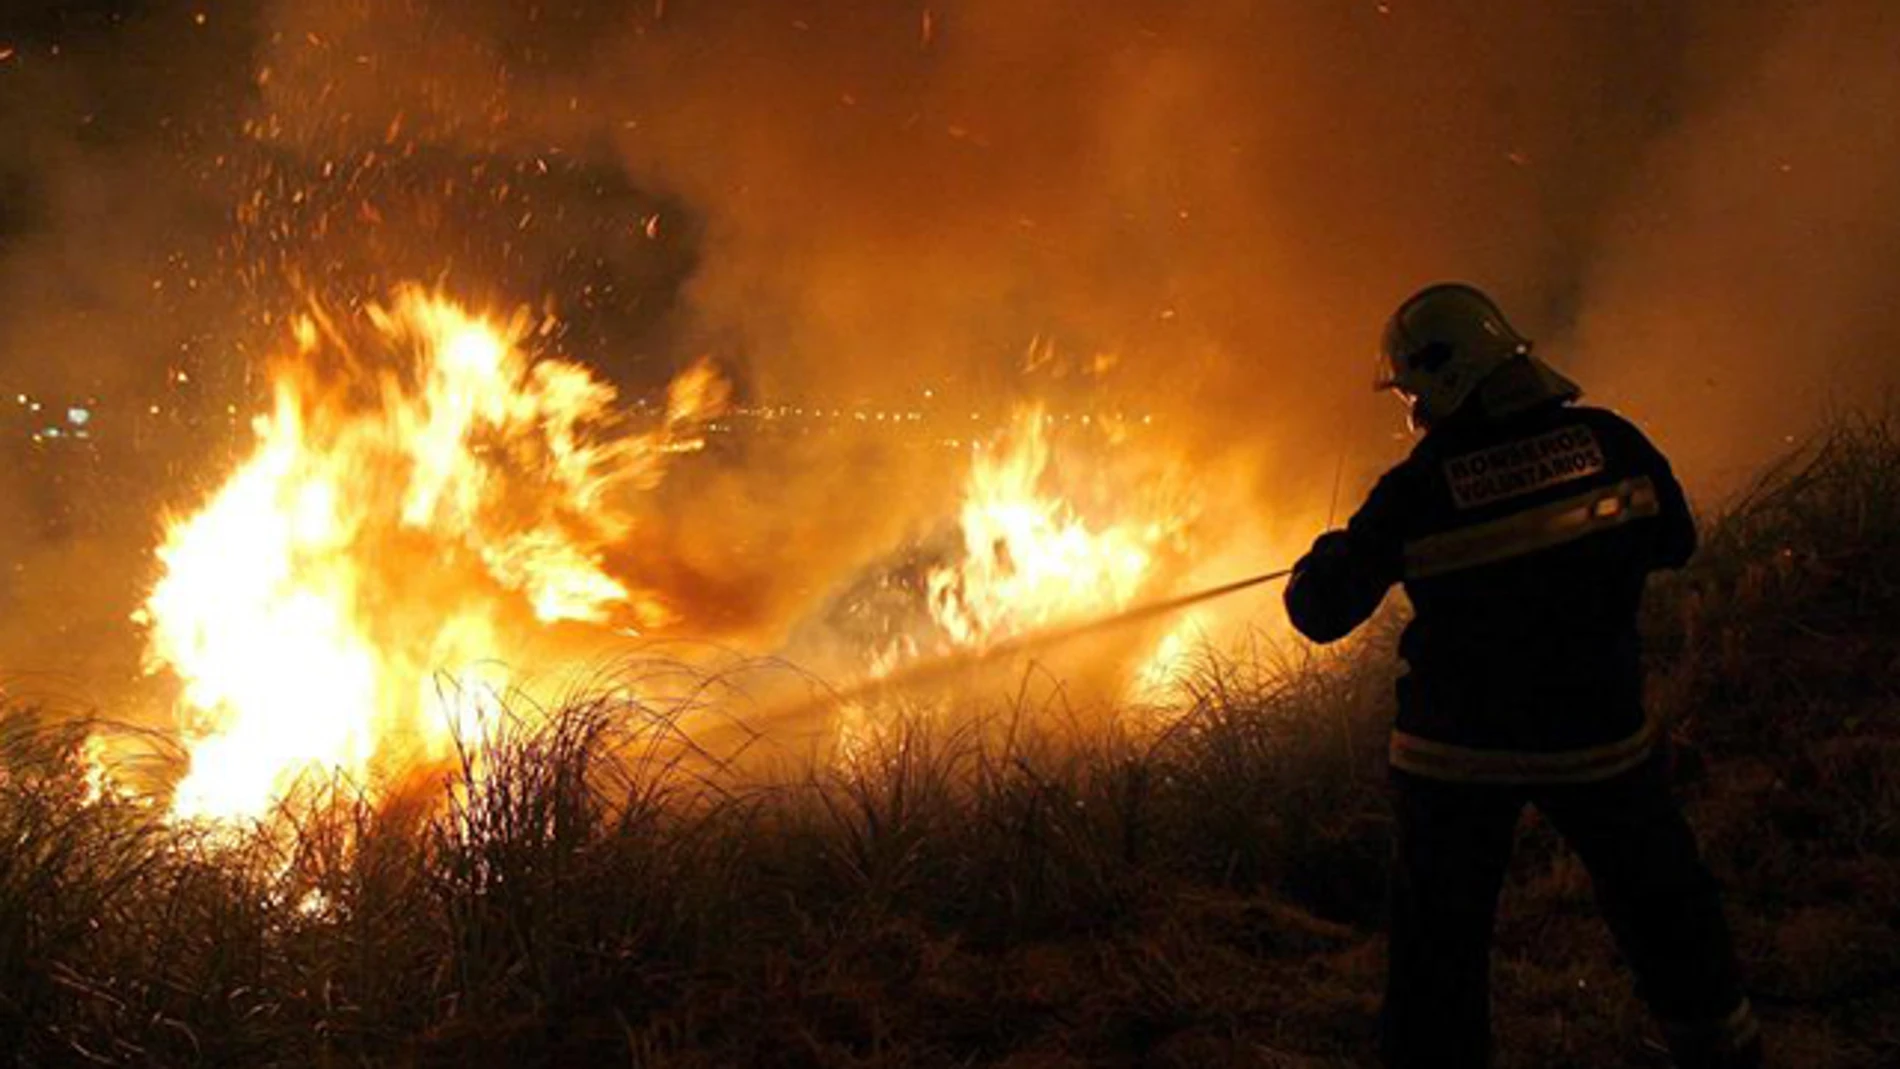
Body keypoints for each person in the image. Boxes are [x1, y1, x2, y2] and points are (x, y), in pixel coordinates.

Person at [1284, 283, 1760, 1068]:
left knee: (1440, 950)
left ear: (1441, 380)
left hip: (1458, 755)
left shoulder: (1420, 489)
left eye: (1410, 393)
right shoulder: (1611, 442)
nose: (1413, 412)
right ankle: (1724, 1049)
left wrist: (1326, 559)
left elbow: (1321, 611)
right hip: (1600, 735)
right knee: (1664, 904)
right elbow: (1675, 540)